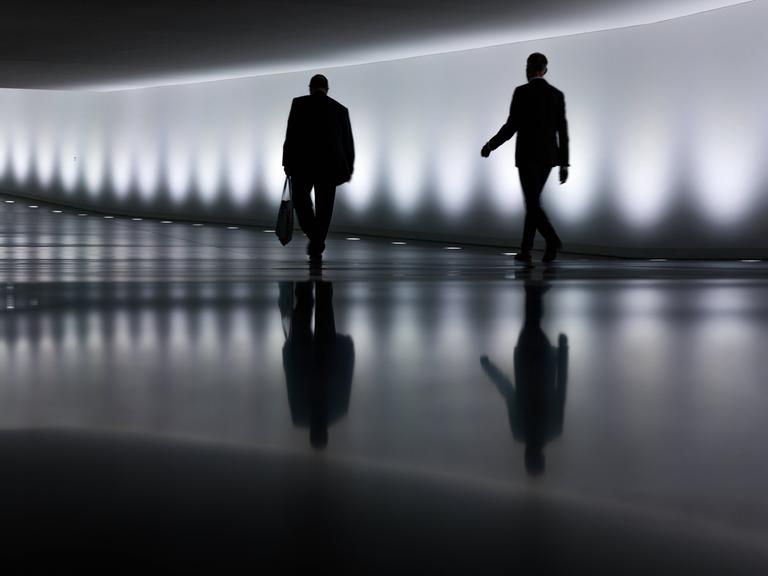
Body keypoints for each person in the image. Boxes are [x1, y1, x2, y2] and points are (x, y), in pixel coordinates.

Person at [481, 53, 569, 264]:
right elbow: (562, 131)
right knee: (533, 203)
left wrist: (491, 144)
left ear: (528, 69)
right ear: (545, 71)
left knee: (532, 203)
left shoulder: (521, 92)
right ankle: (529, 250)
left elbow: (511, 126)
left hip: (527, 156)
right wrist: (564, 163)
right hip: (549, 157)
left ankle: (551, 239)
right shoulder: (556, 94)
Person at [480, 282, 568, 475]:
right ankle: (533, 292)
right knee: (531, 323)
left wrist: (563, 352)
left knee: (532, 323)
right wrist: (488, 367)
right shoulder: (520, 432)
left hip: (543, 364)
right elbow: (509, 393)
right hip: (527, 362)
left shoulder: (553, 430)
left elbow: (561, 389)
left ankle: (533, 292)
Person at [282, 74, 355, 264]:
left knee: (301, 203)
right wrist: (348, 168)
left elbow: (291, 136)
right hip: (329, 168)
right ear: (327, 88)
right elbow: (347, 143)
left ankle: (315, 237)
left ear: (310, 87)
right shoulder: (340, 110)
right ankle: (317, 241)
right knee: (325, 209)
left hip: (302, 165)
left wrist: (286, 162)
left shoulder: (299, 104)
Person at [279, 280, 355, 449]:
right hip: (309, 356)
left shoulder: (336, 411)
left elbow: (344, 377)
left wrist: (347, 349)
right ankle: (309, 282)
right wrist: (287, 355)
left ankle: (316, 281)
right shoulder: (301, 415)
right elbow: (291, 381)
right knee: (311, 307)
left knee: (321, 304)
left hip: (323, 356)